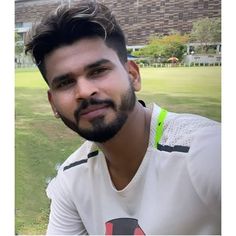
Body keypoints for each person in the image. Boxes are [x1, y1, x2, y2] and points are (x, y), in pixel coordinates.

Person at [25, 1, 221, 235]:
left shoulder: (207, 151)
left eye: (98, 71)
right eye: (65, 82)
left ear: (133, 75)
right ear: (53, 104)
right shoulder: (71, 179)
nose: (85, 91)